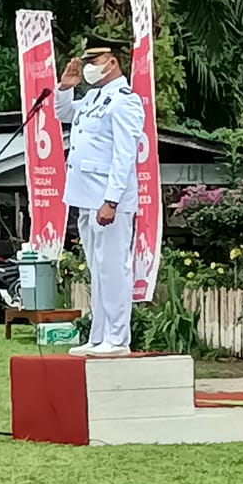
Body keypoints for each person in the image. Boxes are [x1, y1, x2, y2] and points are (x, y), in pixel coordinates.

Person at [54, 35, 145, 357]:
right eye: (88, 62)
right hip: (85, 196)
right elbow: (64, 114)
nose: (89, 67)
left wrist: (112, 200)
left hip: (109, 201)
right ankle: (99, 336)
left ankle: (118, 339)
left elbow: (124, 155)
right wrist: (65, 87)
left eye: (94, 62)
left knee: (113, 269)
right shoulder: (94, 98)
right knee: (97, 268)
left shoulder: (124, 100)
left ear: (112, 62)